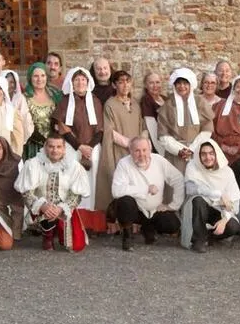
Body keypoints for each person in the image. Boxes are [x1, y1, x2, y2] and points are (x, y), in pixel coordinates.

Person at [14, 135, 91, 251]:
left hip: (64, 207)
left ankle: (58, 231)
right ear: (45, 147)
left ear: (64, 149)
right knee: (48, 210)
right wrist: (43, 206)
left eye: (58, 147)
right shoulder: (33, 164)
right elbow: (26, 193)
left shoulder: (74, 166)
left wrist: (61, 208)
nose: (55, 150)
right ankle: (47, 236)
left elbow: (76, 195)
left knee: (77, 246)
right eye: (51, 146)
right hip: (41, 208)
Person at [111, 136, 185, 250]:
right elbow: (116, 190)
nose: (141, 154)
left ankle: (148, 228)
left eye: (144, 150)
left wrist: (173, 206)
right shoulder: (124, 164)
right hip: (136, 210)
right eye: (137, 151)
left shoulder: (159, 160)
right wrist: (145, 189)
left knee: (173, 225)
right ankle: (127, 236)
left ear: (150, 149)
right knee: (125, 201)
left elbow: (178, 179)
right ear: (130, 151)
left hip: (155, 210)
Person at [52, 67, 103, 210]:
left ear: (88, 82)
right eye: (77, 80)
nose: (80, 82)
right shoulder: (65, 102)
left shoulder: (96, 101)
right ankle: (73, 212)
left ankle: (91, 213)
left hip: (93, 148)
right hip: (71, 147)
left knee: (92, 179)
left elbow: (101, 128)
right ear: (71, 83)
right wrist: (79, 146)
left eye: (83, 79)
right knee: (72, 179)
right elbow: (61, 126)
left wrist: (89, 148)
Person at [181, 136, 240, 253]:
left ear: (217, 154)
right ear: (199, 156)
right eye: (203, 154)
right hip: (199, 209)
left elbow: (235, 204)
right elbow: (191, 189)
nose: (208, 157)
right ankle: (199, 240)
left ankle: (209, 237)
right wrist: (218, 194)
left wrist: (224, 220)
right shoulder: (193, 167)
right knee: (198, 199)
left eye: (211, 153)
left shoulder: (227, 172)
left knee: (233, 226)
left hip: (219, 210)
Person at [98, 70, 146, 217]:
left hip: (136, 153)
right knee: (122, 185)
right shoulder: (110, 104)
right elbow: (109, 130)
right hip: (120, 151)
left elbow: (141, 126)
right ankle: (121, 220)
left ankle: (136, 219)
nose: (125, 85)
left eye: (127, 81)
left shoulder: (135, 104)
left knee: (137, 183)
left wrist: (142, 144)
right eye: (120, 82)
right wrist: (130, 144)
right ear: (114, 85)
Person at [157, 68, 215, 172]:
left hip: (197, 151)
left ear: (190, 84)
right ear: (174, 85)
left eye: (185, 83)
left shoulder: (200, 102)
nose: (182, 86)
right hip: (175, 155)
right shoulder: (168, 105)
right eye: (178, 83)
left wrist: (192, 149)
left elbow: (207, 130)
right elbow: (163, 135)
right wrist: (180, 150)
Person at [23, 62, 63, 160]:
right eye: (35, 76)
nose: (39, 79)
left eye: (42, 75)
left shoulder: (55, 95)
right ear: (30, 78)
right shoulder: (24, 98)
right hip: (33, 145)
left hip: (54, 146)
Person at [1, 69, 35, 153]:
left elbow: (26, 119)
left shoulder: (20, 98)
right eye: (6, 82)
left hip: (17, 136)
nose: (9, 85)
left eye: (12, 82)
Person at [140, 71, 166, 154]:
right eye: (151, 83)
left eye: (157, 82)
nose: (155, 86)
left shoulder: (165, 99)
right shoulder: (146, 100)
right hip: (159, 144)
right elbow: (151, 127)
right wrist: (161, 150)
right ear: (146, 85)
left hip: (169, 141)